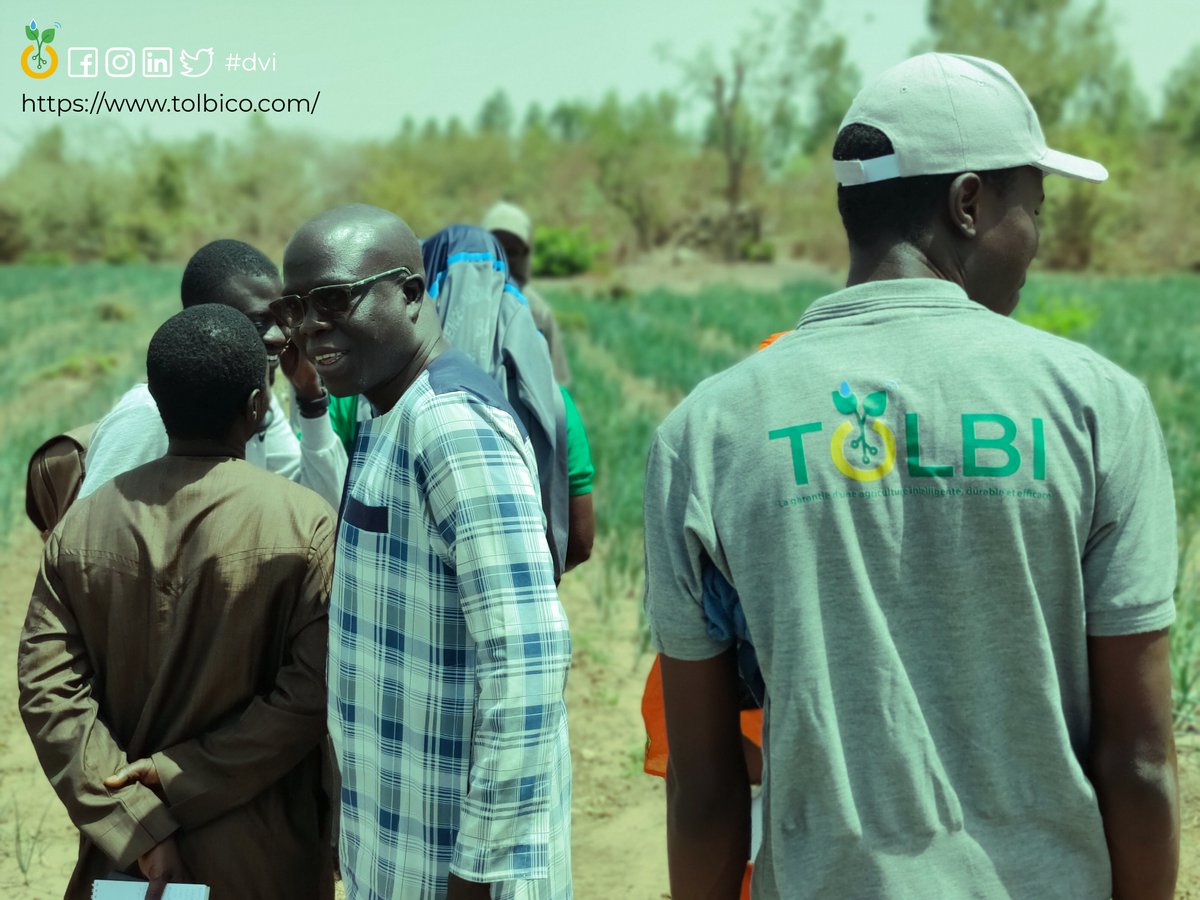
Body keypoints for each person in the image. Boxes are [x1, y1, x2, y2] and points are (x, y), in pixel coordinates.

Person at [643, 52, 1179, 900]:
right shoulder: (1096, 407)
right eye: (1030, 209)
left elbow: (705, 788)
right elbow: (1139, 759)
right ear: (967, 203)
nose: (1033, 244)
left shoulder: (706, 434)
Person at [279, 204, 572, 900]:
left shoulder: (451, 425)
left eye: (334, 299)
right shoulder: (389, 412)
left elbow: (527, 660)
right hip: (399, 846)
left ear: (410, 293)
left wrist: (477, 871)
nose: (309, 324)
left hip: (458, 867)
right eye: (295, 307)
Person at [18, 303, 336, 900]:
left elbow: (48, 695)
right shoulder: (306, 525)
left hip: (129, 865)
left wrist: (136, 822)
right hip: (263, 852)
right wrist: (178, 777)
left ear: (159, 405)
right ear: (257, 406)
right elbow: (311, 694)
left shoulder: (81, 526)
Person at [79, 238, 347, 508]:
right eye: (257, 322)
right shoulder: (148, 415)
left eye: (281, 319)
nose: (279, 337)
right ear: (202, 321)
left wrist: (311, 398)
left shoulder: (256, 406)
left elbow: (324, 506)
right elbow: (90, 533)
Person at [482, 200, 572, 386]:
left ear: (525, 254)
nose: (504, 258)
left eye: (512, 251)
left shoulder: (538, 313)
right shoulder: (468, 303)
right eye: (497, 247)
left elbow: (558, 386)